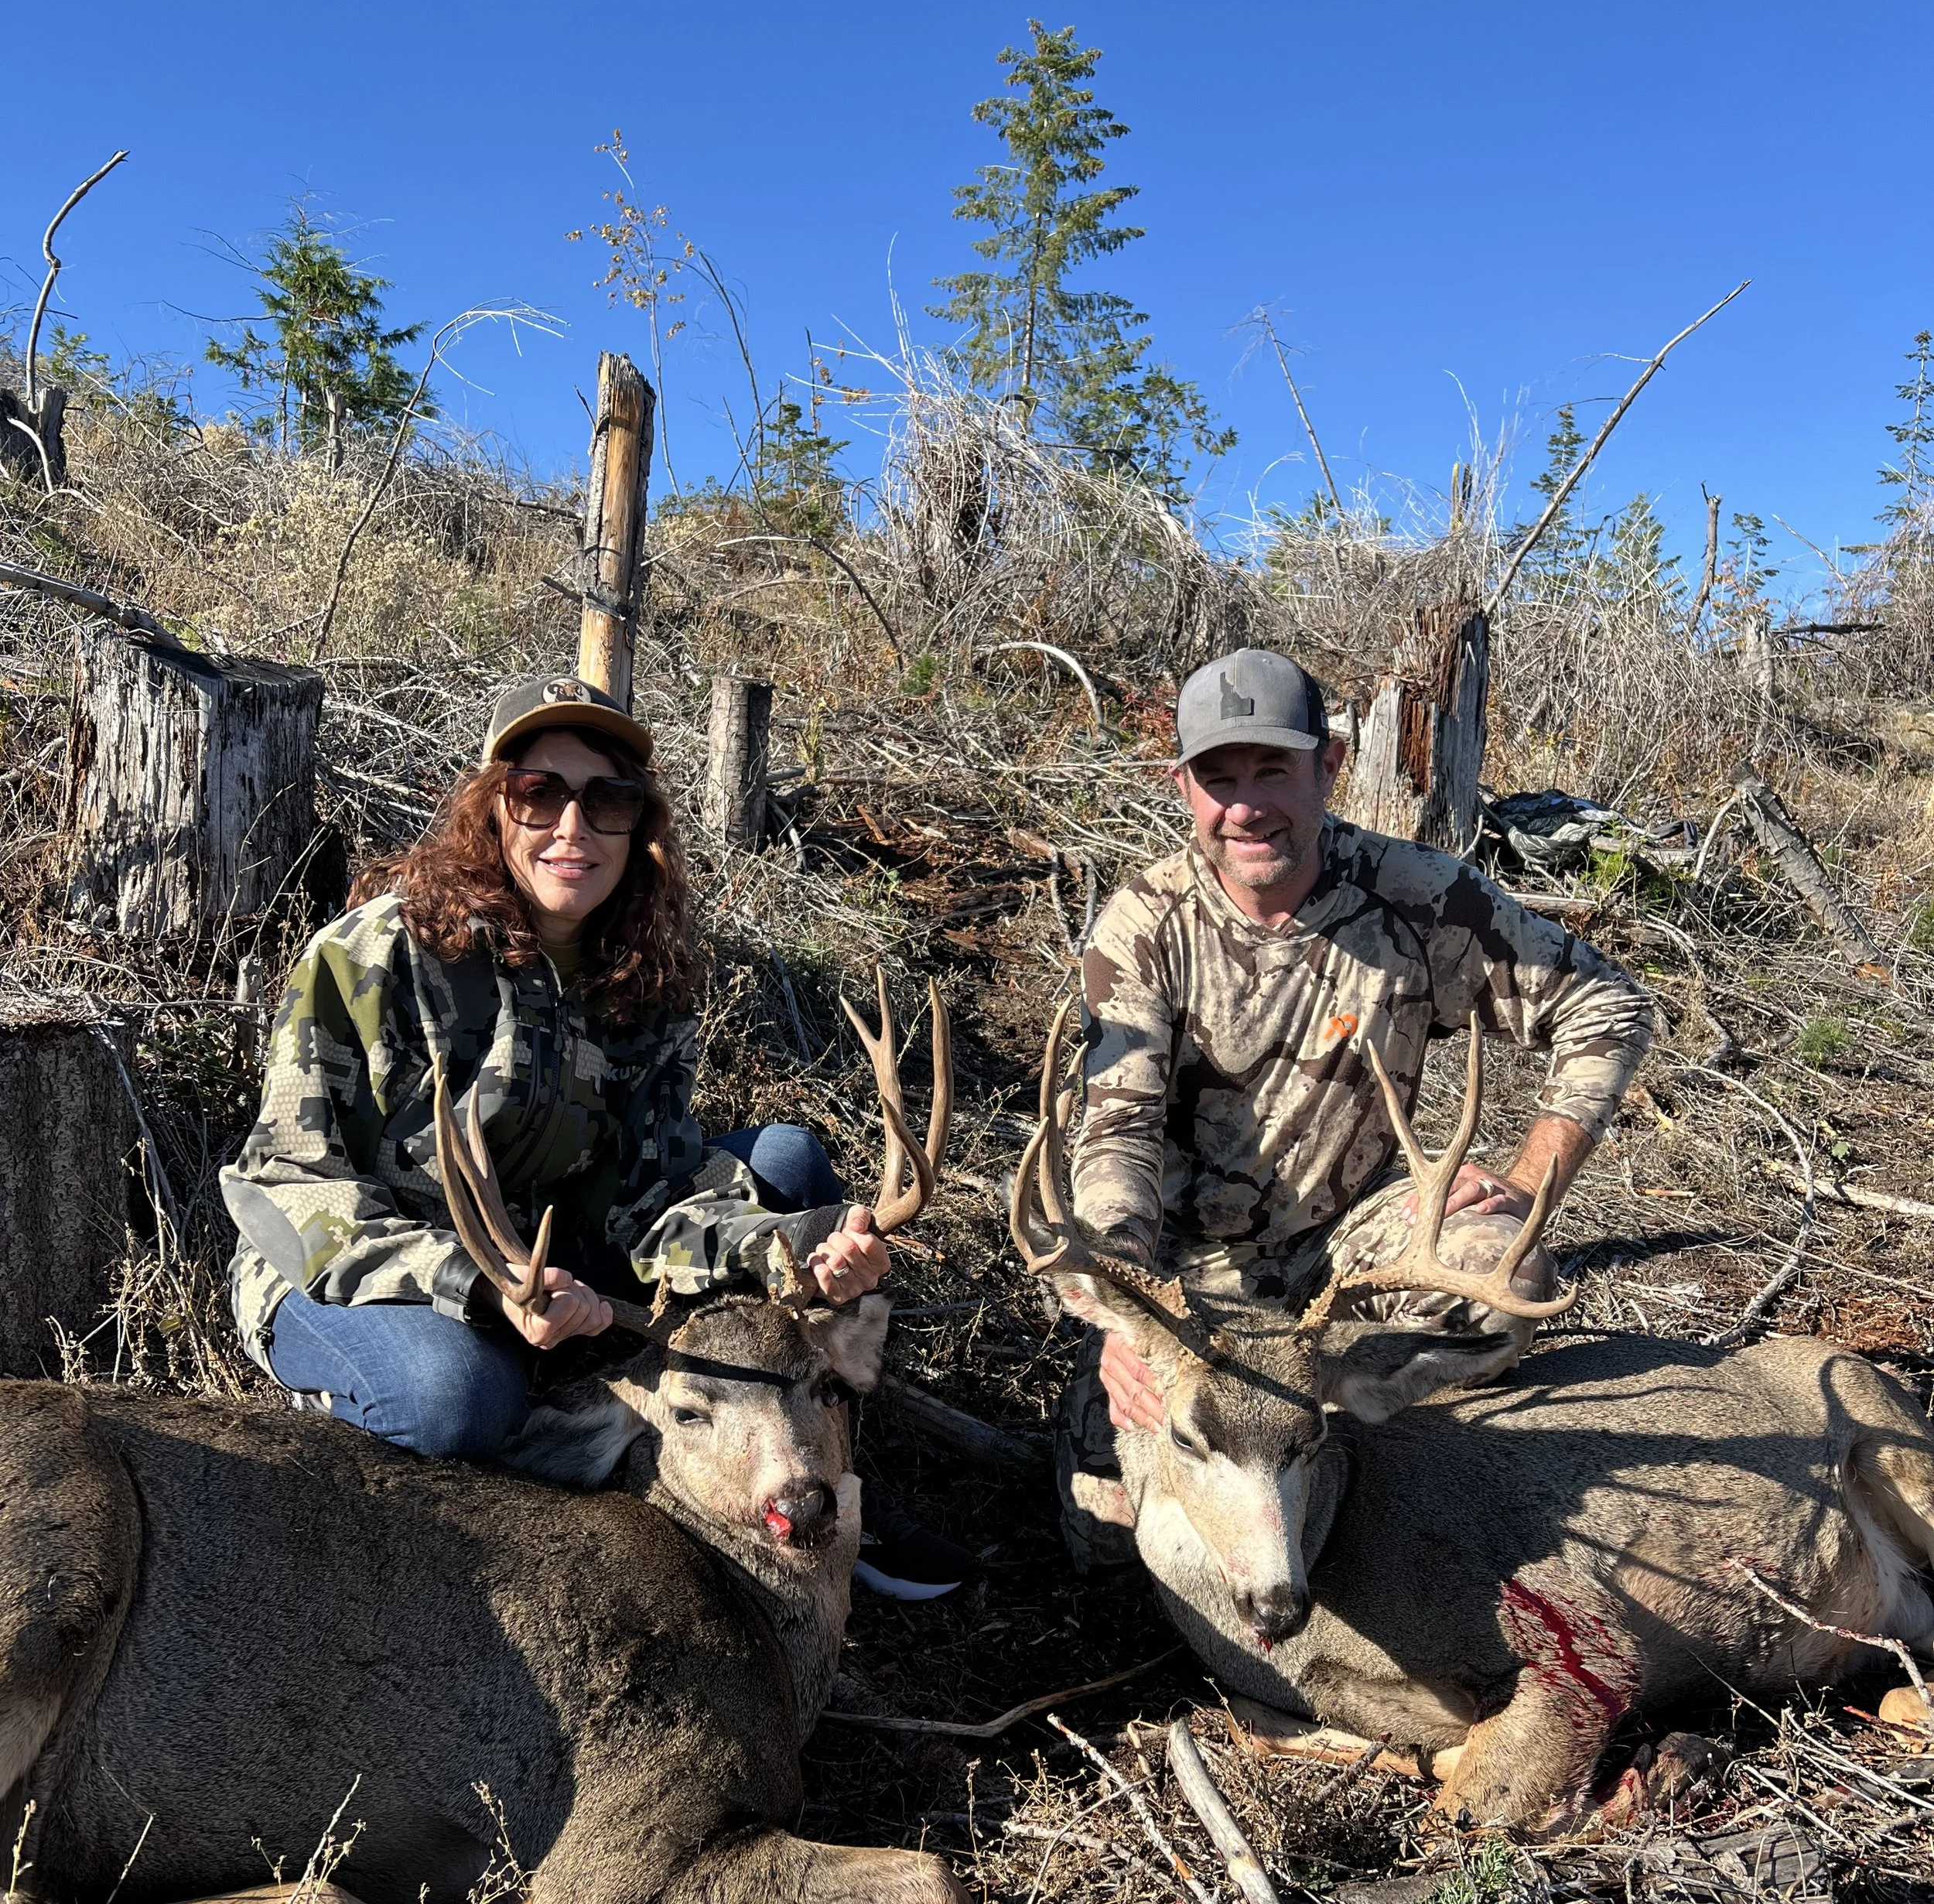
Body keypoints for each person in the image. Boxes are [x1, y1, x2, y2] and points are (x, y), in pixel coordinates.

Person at [223, 672, 971, 1596]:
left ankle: (823, 1486)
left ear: (637, 824)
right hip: (359, 1276)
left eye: (606, 799)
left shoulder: (641, 976)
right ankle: (370, 1445)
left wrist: (792, 1254)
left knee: (789, 1168)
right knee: (456, 1400)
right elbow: (289, 1185)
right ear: (493, 809)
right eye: (539, 793)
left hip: (568, 1267)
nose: (570, 827)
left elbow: (652, 1202)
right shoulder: (374, 956)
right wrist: (480, 1288)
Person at [1061, 644, 1653, 1564]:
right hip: (1190, 1280)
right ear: (1183, 788)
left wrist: (1529, 1182)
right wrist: (1127, 1317)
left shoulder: (1421, 899)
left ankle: (1371, 1478)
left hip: (1355, 1259)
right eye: (1219, 778)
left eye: (1273, 770)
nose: (1246, 806)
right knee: (1103, 1546)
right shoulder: (1144, 927)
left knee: (1504, 1284)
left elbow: (1605, 1005)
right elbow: (1116, 1140)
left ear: (1328, 766)